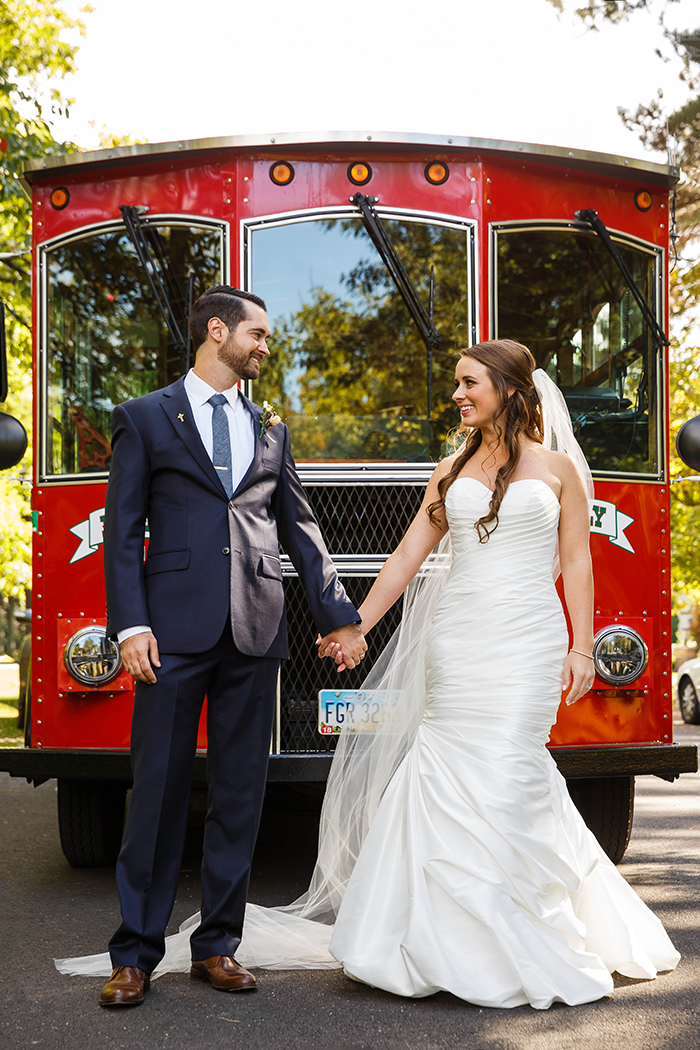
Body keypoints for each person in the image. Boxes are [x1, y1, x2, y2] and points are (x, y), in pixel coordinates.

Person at [58, 339, 679, 1009]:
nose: (457, 394)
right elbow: (408, 556)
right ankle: (442, 937)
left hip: (527, 641)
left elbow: (579, 562)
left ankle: (527, 925)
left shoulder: (558, 469)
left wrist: (583, 647)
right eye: (457, 384)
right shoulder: (450, 470)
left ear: (507, 387)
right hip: (461, 640)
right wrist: (354, 626)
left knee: (513, 769)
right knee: (449, 772)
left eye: (469, 382)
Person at [92, 285, 367, 1007]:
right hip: (169, 635)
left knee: (241, 796)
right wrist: (131, 625)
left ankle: (217, 946)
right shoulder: (145, 418)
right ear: (218, 332)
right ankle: (135, 956)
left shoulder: (270, 425)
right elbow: (122, 534)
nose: (266, 346)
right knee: (156, 794)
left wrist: (339, 616)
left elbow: (300, 529)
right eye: (259, 334)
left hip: (255, 628)